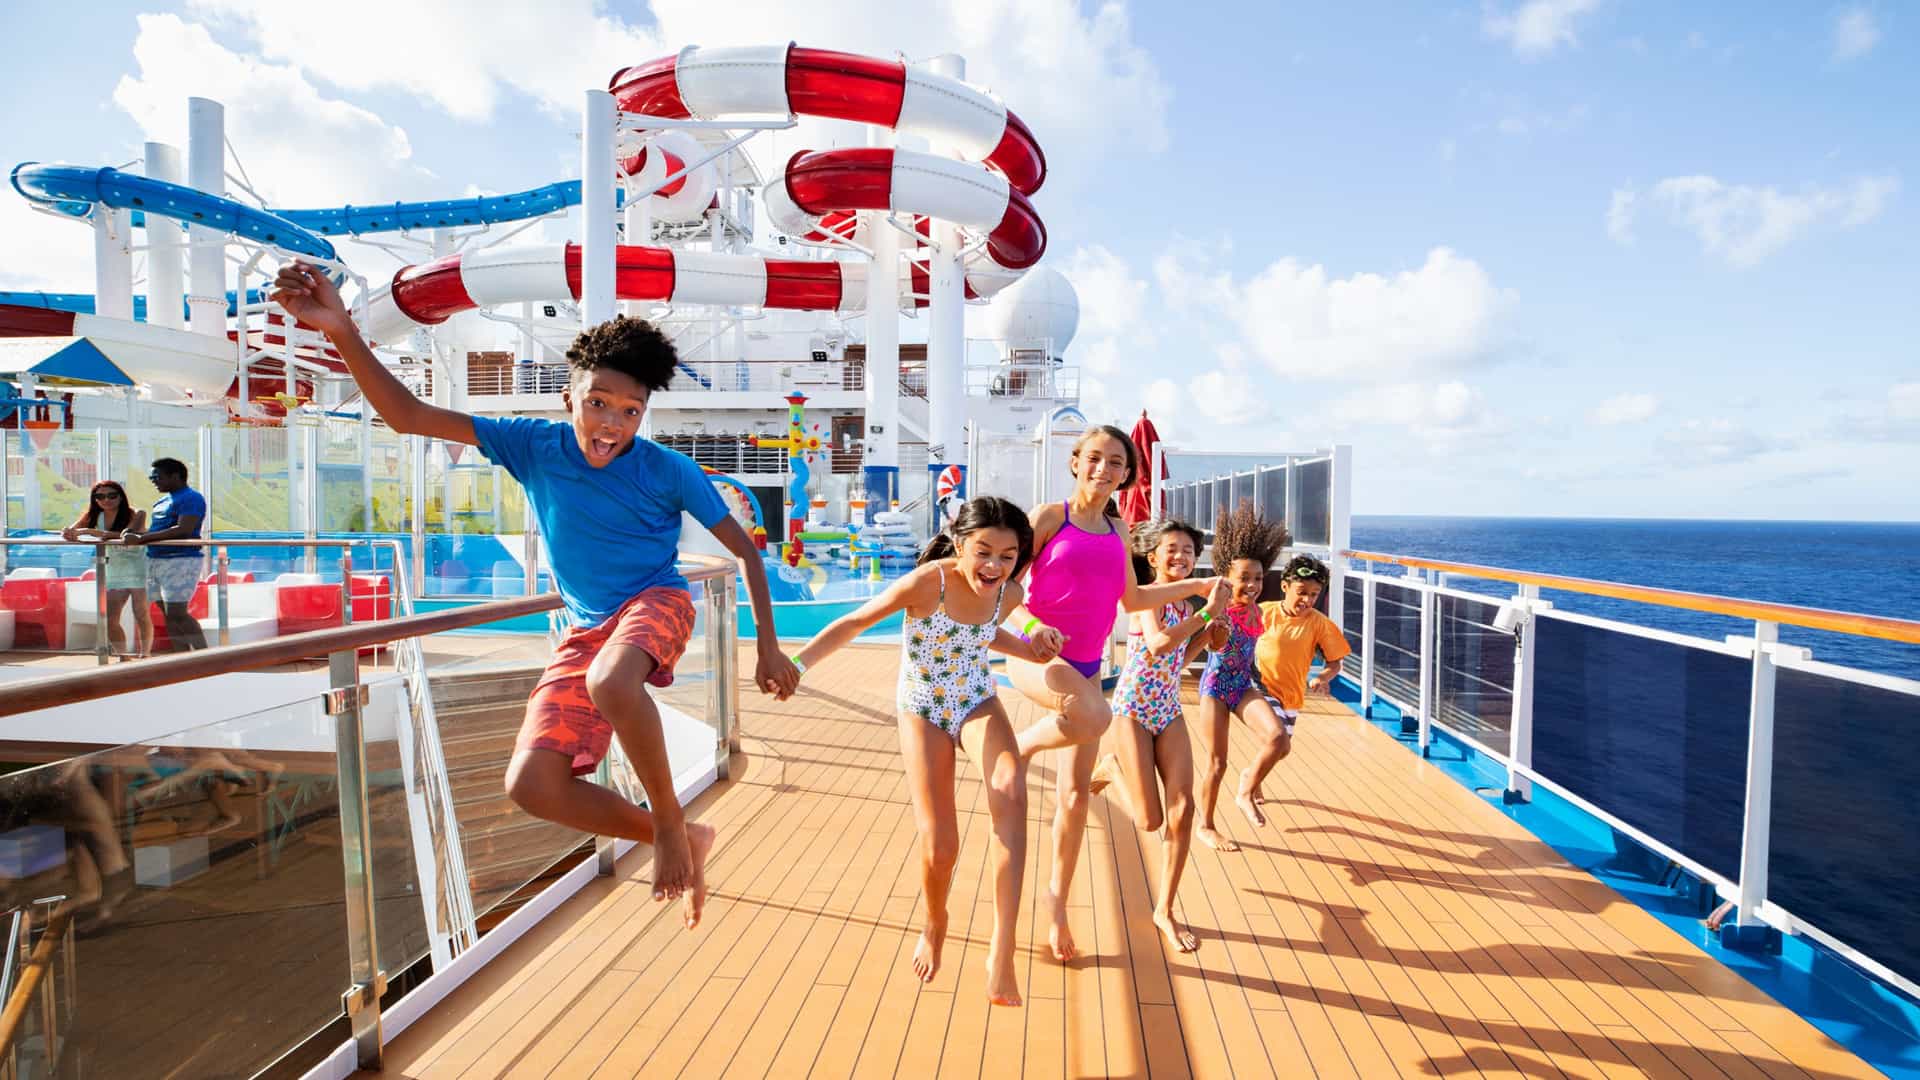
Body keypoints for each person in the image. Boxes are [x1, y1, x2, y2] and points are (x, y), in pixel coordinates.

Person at [270, 261, 797, 930]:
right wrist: (344, 331)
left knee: (612, 683)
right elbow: (406, 417)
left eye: (631, 412)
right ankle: (681, 836)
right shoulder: (532, 444)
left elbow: (746, 550)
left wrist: (769, 651)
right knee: (533, 785)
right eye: (599, 403)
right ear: (567, 399)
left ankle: (670, 825)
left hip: (656, 602)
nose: (612, 423)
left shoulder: (669, 470)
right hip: (587, 627)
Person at [786, 497, 1056, 1006]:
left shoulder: (1009, 590)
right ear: (960, 546)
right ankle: (935, 922)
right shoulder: (927, 584)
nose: (994, 566)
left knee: (1009, 787)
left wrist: (1035, 641)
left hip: (975, 698)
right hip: (923, 707)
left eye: (1008, 555)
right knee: (941, 847)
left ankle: (1003, 945)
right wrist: (796, 665)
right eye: (983, 552)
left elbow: (988, 631)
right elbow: (855, 622)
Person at [1002, 425, 1227, 962]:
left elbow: (1132, 598)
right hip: (1036, 656)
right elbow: (1008, 589)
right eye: (1095, 458)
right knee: (1095, 713)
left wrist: (1196, 588)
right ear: (1076, 462)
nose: (1104, 469)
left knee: (1076, 799)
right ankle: (1020, 749)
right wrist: (1032, 627)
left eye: (1116, 463)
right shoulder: (1048, 518)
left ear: (1127, 475)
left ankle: (1056, 910)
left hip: (1083, 669)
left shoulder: (1119, 531)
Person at [1088, 518, 1225, 953]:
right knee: (1149, 820)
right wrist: (1206, 613)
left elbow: (1180, 656)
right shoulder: (1149, 598)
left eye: (1189, 550)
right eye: (1172, 549)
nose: (1181, 556)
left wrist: (1209, 636)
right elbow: (1160, 643)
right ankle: (1112, 765)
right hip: (1131, 707)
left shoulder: (1188, 606)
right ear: (1153, 558)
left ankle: (1164, 908)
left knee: (1182, 810)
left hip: (1167, 708)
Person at [1193, 501, 1292, 850]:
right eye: (1244, 579)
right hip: (1216, 688)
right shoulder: (1220, 609)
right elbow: (1214, 647)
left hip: (1242, 686)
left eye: (1258, 578)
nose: (1252, 585)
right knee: (1217, 763)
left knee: (1279, 739)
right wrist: (1215, 629)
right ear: (1226, 578)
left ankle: (1247, 789)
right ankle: (1206, 825)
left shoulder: (1256, 610)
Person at [122, 458, 207, 652]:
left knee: (177, 613)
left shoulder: (191, 497)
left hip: (180, 560)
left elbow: (184, 529)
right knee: (167, 613)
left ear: (175, 476)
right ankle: (182, 658)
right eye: (152, 477)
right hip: (155, 560)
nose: (153, 480)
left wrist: (142, 539)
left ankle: (206, 657)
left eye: (157, 476)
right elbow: (157, 530)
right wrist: (135, 535)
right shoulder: (163, 500)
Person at [63, 480, 153, 658]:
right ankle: (123, 656)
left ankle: (146, 655)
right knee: (110, 619)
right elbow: (71, 531)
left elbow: (125, 535)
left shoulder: (136, 513)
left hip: (137, 568)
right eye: (100, 496)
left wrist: (90, 532)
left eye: (112, 495)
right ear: (95, 499)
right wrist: (69, 532)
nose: (106, 500)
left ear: (121, 496)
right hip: (113, 569)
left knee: (141, 614)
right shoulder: (94, 515)